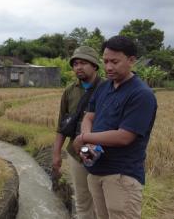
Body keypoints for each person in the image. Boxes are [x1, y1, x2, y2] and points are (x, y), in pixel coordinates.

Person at [73, 36, 157, 219]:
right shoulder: (104, 87)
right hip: (96, 171)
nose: (109, 67)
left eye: (115, 61)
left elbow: (124, 136)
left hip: (121, 176)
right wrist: (87, 139)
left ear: (132, 60)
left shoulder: (141, 94)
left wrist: (86, 139)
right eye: (105, 62)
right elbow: (89, 116)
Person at [52, 46, 103, 219]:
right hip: (77, 152)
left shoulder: (107, 88)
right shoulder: (70, 91)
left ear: (95, 65)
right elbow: (62, 126)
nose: (78, 67)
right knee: (82, 200)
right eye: (75, 64)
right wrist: (56, 154)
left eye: (83, 63)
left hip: (103, 152)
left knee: (100, 201)